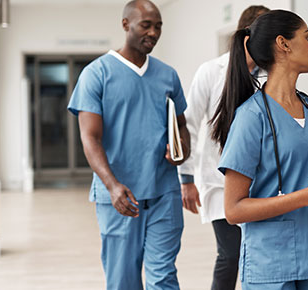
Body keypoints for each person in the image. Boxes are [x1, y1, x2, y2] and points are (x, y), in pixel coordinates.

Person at [211, 10, 308, 290]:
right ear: (283, 44)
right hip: (273, 262)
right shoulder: (252, 117)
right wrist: (307, 196)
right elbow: (234, 210)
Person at [67, 0, 190, 289]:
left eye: (158, 26)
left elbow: (182, 125)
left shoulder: (168, 75)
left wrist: (182, 147)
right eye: (146, 25)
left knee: (164, 277)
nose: (153, 32)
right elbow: (90, 137)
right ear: (126, 25)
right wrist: (111, 185)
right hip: (120, 196)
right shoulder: (96, 74)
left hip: (164, 192)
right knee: (123, 280)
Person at [178, 5, 269, 290]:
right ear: (247, 37)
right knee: (230, 256)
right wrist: (186, 179)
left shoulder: (271, 74)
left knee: (257, 256)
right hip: (219, 182)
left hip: (262, 182)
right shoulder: (211, 71)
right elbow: (189, 126)